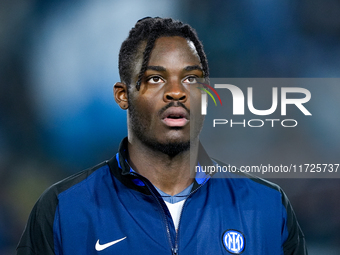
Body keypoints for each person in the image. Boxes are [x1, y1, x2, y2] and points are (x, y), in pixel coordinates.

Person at [17, 17, 307, 255]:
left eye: (191, 79)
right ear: (122, 96)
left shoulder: (268, 206)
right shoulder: (62, 209)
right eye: (155, 78)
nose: (176, 92)